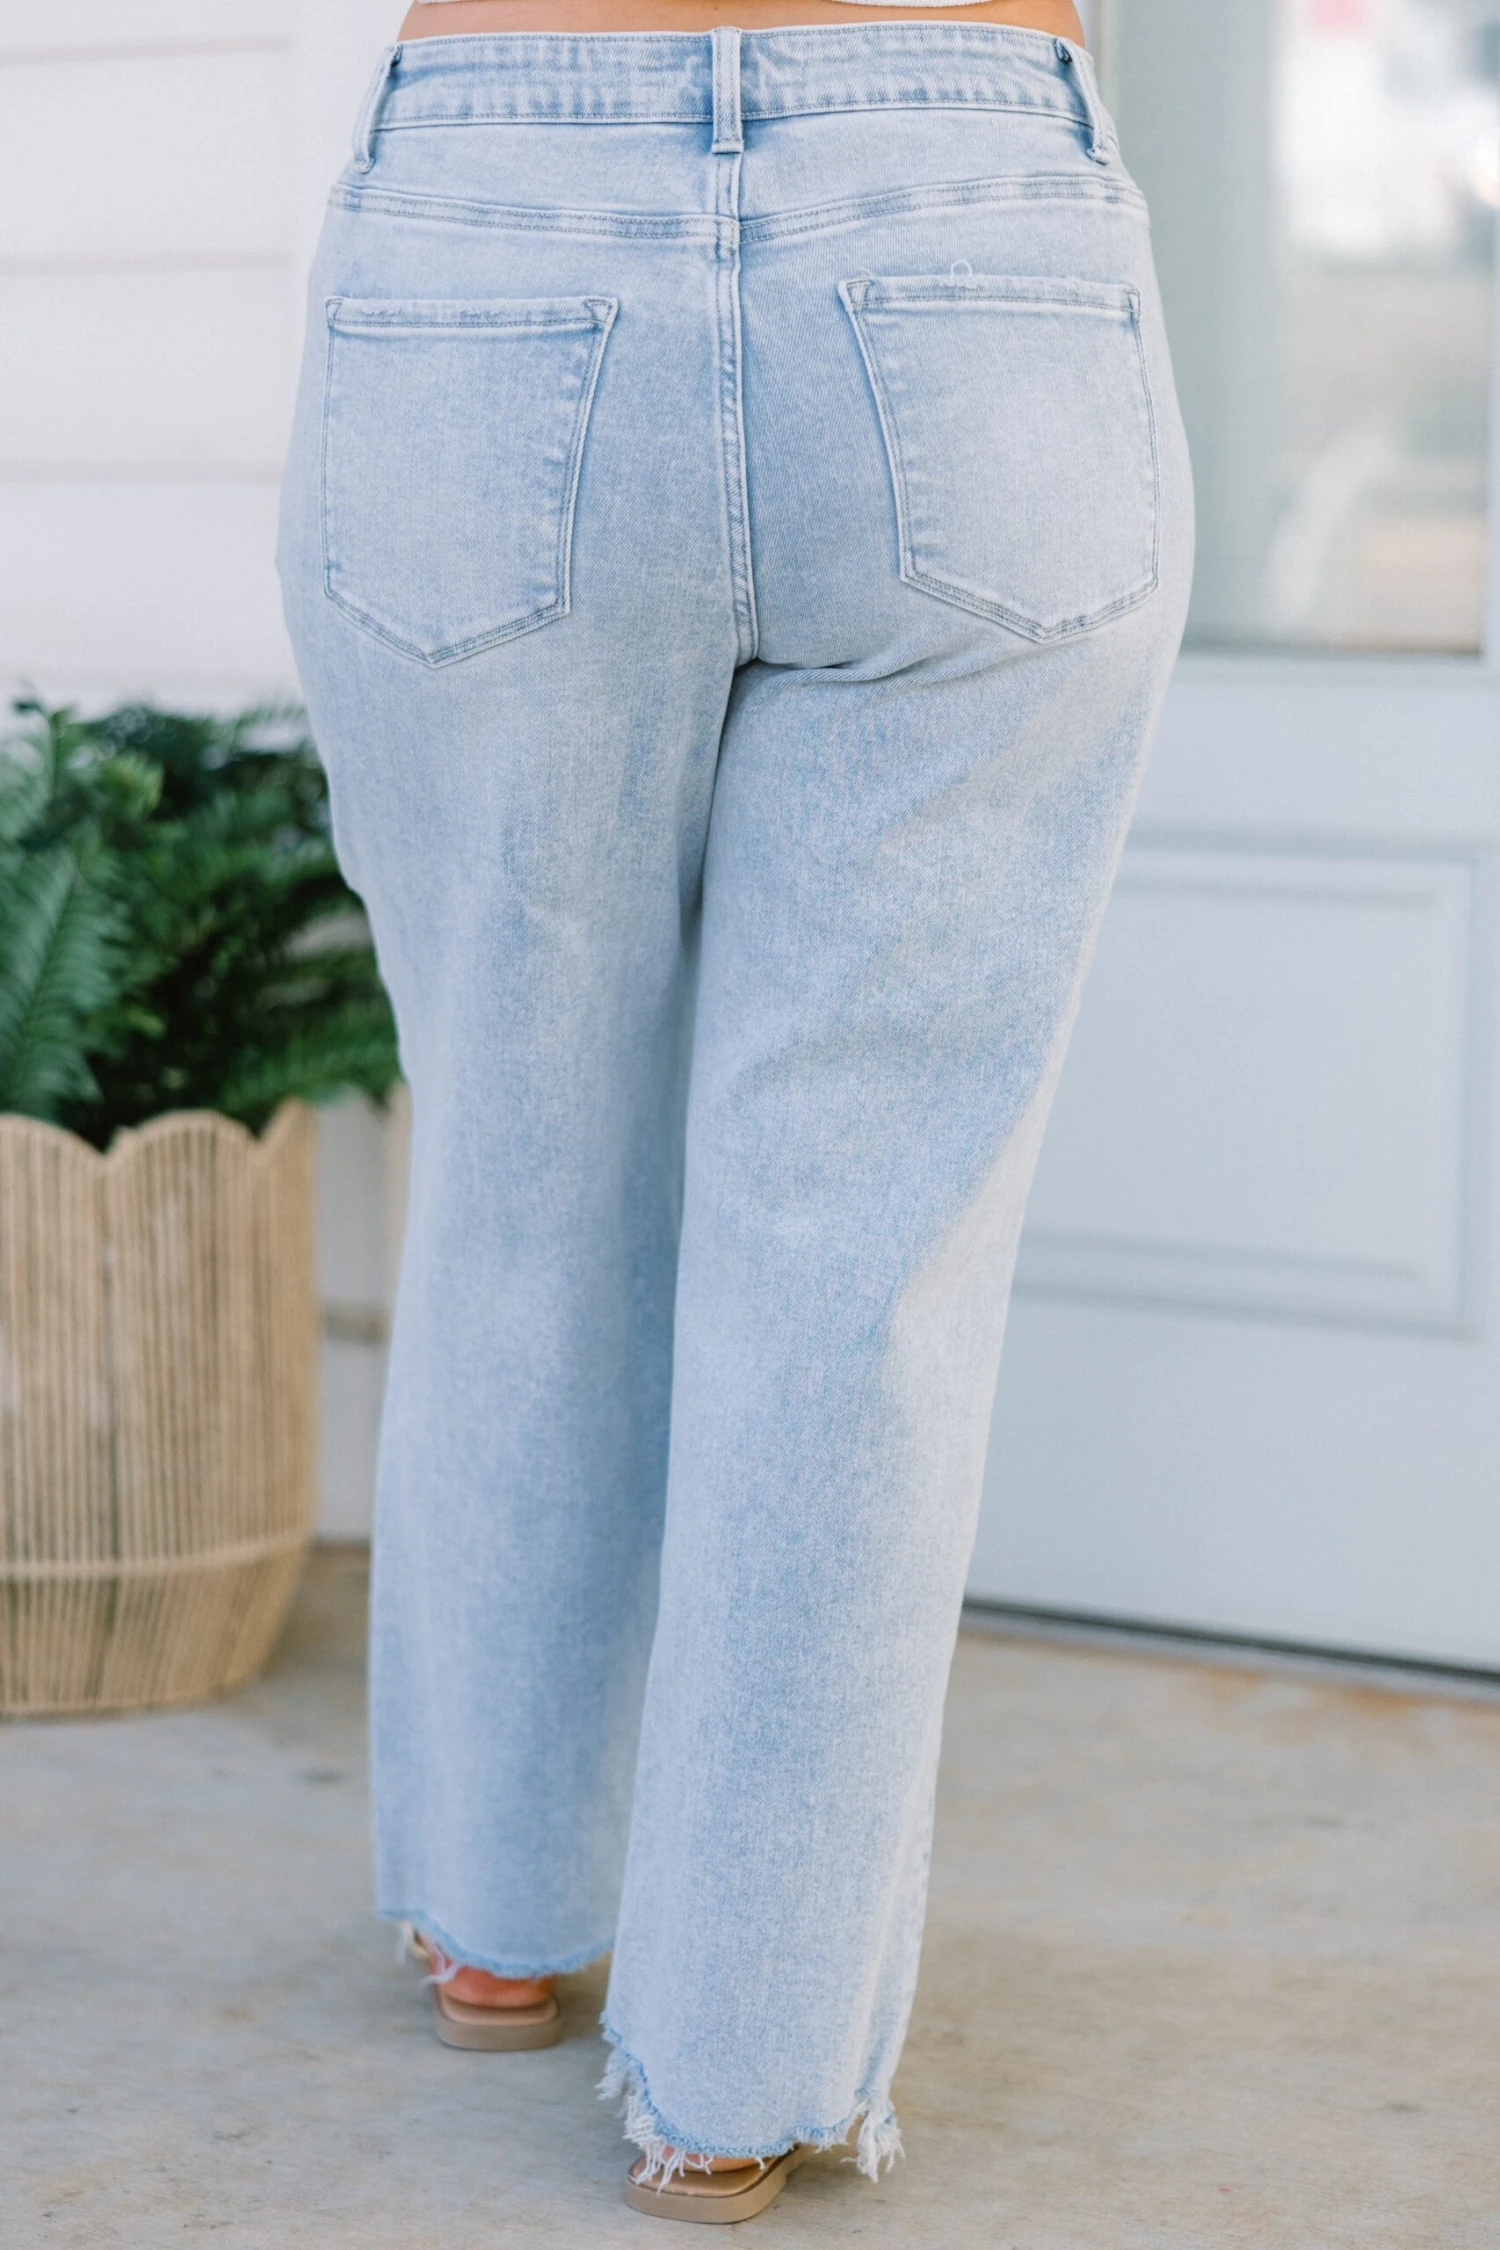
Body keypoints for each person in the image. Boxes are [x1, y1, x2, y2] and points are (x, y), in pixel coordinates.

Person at [277, 0, 1191, 2220]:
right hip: (968, 218)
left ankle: (503, 1918)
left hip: (497, 217)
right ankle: (742, 2077)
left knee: (517, 1166)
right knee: (859, 1257)